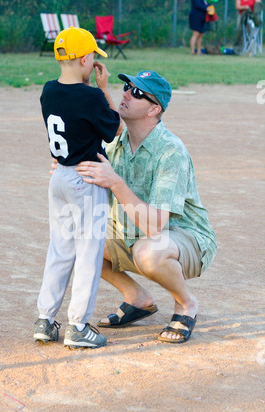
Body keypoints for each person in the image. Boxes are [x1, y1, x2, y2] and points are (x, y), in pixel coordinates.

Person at [72, 70, 217, 344]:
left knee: (148, 252)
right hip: (134, 231)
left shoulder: (170, 151)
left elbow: (154, 226)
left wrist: (115, 183)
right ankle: (137, 298)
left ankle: (186, 305)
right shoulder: (118, 144)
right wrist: (64, 166)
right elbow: (96, 143)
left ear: (154, 109)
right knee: (77, 238)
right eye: (126, 86)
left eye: (137, 92)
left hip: (184, 236)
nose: (126, 93)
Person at [34, 27, 121, 349]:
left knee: (60, 248)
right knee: (89, 252)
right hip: (86, 179)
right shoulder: (91, 96)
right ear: (86, 59)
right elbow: (113, 129)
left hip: (58, 177)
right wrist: (103, 88)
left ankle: (45, 319)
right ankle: (78, 326)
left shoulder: (48, 90)